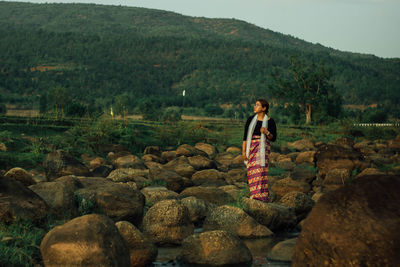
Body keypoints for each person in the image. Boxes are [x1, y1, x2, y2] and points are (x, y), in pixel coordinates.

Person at [242, 99, 277, 202]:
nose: (254, 107)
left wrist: (266, 132)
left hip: (263, 149)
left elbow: (273, 138)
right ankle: (254, 194)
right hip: (251, 147)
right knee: (251, 171)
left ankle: (262, 196)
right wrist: (244, 152)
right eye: (255, 105)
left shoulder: (270, 121)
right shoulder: (250, 119)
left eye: (257, 105)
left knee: (261, 171)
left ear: (264, 108)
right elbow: (245, 137)